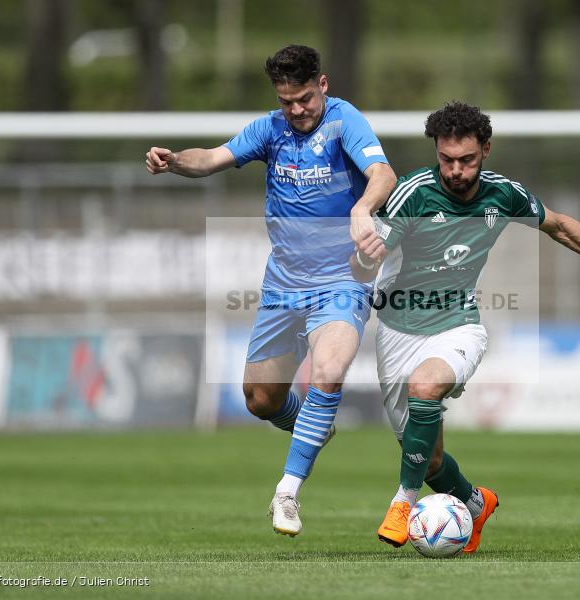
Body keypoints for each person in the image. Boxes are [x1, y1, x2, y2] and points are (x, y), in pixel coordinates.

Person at [350, 102, 580, 553]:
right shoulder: (413, 195)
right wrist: (364, 256)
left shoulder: (504, 194)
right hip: (398, 330)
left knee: (425, 388)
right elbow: (365, 262)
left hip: (457, 324)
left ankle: (403, 502)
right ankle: (474, 501)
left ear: (485, 150)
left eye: (466, 160)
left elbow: (559, 226)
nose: (456, 170)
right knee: (429, 461)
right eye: (447, 160)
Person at [146, 45, 396, 536]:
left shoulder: (345, 122)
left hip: (341, 277)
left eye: (304, 98)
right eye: (287, 101)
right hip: (283, 281)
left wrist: (363, 208)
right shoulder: (269, 129)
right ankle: (312, 427)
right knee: (260, 399)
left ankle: (287, 491)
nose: (297, 110)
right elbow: (211, 158)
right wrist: (175, 160)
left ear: (322, 85)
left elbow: (383, 173)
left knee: (328, 370)